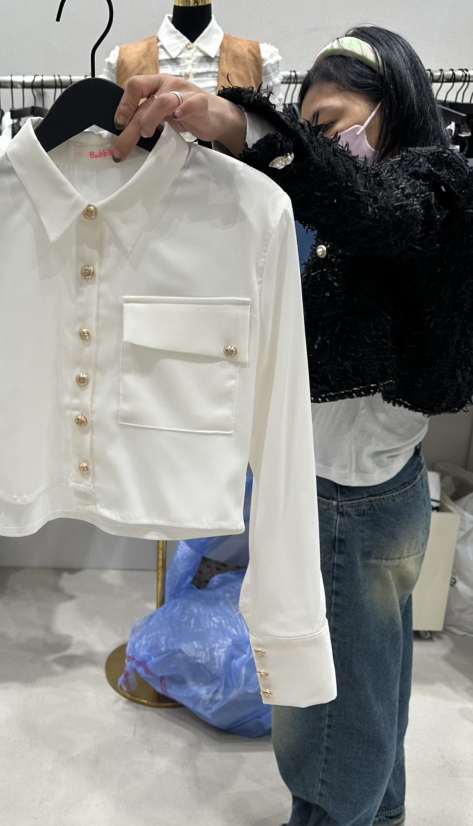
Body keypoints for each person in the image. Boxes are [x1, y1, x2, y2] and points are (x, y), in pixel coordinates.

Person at [109, 25, 473, 826]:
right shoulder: (351, 204)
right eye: (310, 127)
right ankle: (378, 814)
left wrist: (247, 125)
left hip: (350, 497)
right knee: (370, 691)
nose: (324, 144)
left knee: (325, 712)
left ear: (391, 106)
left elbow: (376, 208)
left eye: (333, 122)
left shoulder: (433, 186)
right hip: (362, 486)